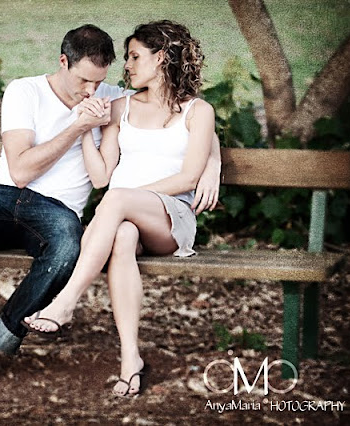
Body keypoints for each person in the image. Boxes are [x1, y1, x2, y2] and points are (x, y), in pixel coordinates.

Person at [0, 23, 220, 393]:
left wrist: (213, 163)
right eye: (84, 80)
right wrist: (80, 128)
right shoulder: (29, 91)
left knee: (68, 247)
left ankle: (5, 336)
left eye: (100, 81)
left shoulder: (113, 97)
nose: (92, 90)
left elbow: (185, 115)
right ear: (64, 62)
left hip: (64, 211)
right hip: (2, 196)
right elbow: (24, 172)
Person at [23, 20, 216, 397]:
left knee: (116, 200)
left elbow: (189, 177)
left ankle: (65, 302)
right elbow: (101, 178)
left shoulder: (198, 111)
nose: (126, 65)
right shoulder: (119, 108)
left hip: (170, 218)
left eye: (134, 56)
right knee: (123, 236)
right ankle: (131, 360)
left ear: (161, 58)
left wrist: (127, 197)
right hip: (124, 218)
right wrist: (84, 129)